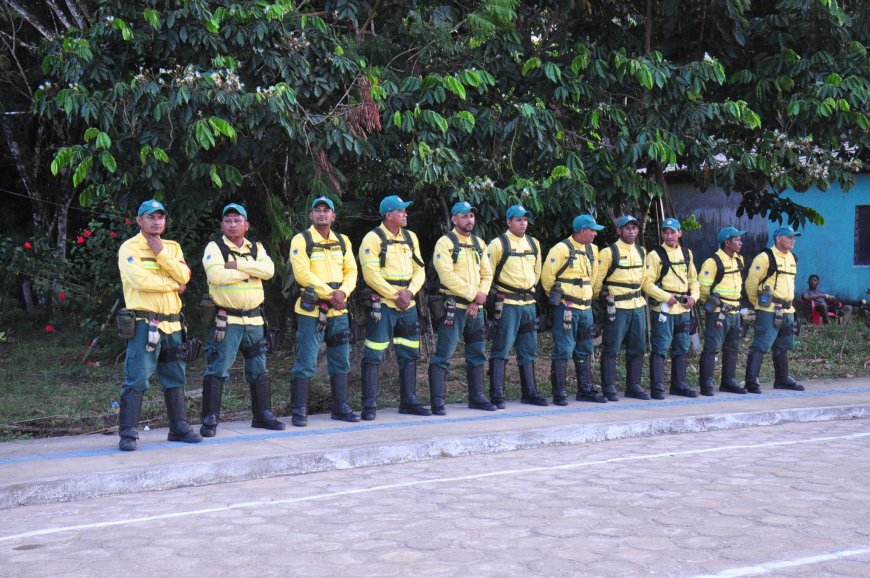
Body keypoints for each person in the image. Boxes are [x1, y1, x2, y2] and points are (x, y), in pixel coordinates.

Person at [116, 199, 201, 451]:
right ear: (139, 220)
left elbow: (185, 275)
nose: (156, 221)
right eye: (151, 217)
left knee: (175, 375)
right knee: (138, 377)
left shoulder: (172, 247)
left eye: (160, 217)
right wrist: (174, 285)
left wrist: (161, 253)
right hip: (145, 324)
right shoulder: (129, 248)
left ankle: (179, 428)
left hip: (174, 325)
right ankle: (128, 433)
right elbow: (141, 281)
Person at [199, 203, 285, 437]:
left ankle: (262, 415)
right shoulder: (215, 247)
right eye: (228, 220)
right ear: (222, 225)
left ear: (246, 225)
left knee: (259, 368)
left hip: (255, 320)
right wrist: (252, 271)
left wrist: (237, 265)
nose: (233, 224)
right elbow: (216, 275)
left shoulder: (256, 247)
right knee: (219, 367)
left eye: (237, 220)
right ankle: (210, 419)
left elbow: (268, 271)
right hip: (227, 319)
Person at [288, 196, 360, 426]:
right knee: (306, 360)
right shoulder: (301, 240)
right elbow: (302, 275)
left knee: (341, 360)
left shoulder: (343, 240)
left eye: (326, 211)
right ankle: (299, 409)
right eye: (317, 210)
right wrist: (331, 294)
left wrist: (344, 293)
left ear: (333, 216)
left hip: (339, 311)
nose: (321, 214)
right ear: (311, 215)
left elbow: (352, 271)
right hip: (312, 311)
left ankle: (340, 407)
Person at [358, 195, 430, 419]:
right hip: (383, 304)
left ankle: (408, 401)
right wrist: (395, 295)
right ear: (388, 215)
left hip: (407, 303)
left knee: (409, 352)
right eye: (401, 211)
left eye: (405, 211)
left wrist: (409, 293)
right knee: (374, 353)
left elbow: (420, 269)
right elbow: (371, 275)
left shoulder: (411, 238)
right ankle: (369, 405)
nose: (405, 214)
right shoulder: (372, 238)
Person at [428, 201, 496, 415]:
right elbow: (446, 276)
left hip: (476, 309)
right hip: (454, 308)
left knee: (477, 352)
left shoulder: (479, 243)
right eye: (464, 216)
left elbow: (487, 273)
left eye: (472, 216)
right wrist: (472, 294)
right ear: (454, 219)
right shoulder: (445, 243)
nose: (469, 220)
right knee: (444, 354)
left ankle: (477, 397)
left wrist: (478, 300)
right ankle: (438, 401)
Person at [541, 214, 607, 404]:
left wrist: (587, 296)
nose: (595, 234)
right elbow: (547, 278)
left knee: (585, 347)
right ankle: (559, 392)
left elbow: (593, 278)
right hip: (566, 308)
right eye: (592, 230)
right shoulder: (561, 249)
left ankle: (585, 389)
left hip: (585, 308)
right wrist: (560, 299)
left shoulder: (593, 250)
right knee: (564, 348)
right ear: (582, 231)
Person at [487, 204, 547, 408]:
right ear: (508, 222)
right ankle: (497, 394)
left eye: (525, 219)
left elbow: (537, 272)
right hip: (508, 304)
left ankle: (530, 392)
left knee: (529, 348)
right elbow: (487, 273)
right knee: (501, 347)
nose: (523, 223)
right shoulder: (498, 244)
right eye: (518, 219)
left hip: (529, 304)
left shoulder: (534, 243)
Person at [592, 215, 649, 401]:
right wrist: (599, 303)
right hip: (616, 308)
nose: (631, 232)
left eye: (634, 228)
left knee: (638, 347)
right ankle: (609, 387)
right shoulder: (609, 252)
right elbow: (597, 282)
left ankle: (634, 386)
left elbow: (645, 281)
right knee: (611, 348)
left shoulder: (641, 251)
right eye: (627, 228)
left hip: (638, 306)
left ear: (638, 231)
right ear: (619, 231)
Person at [642, 218, 700, 399]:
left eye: (672, 232)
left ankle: (679, 384)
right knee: (660, 346)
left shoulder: (686, 253)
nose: (669, 236)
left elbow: (694, 280)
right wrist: (666, 297)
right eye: (665, 232)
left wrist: (694, 297)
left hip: (683, 309)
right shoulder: (655, 254)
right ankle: (657, 387)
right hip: (664, 308)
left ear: (679, 233)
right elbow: (646, 283)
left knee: (682, 346)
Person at [744, 226, 804, 392]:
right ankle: (751, 380)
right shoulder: (764, 257)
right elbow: (751, 283)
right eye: (789, 237)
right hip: (769, 309)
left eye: (794, 237)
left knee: (784, 344)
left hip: (788, 309)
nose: (793, 240)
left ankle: (782, 379)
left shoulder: (792, 257)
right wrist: (758, 303)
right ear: (778, 239)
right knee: (761, 344)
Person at [697, 226, 748, 395]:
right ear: (727, 242)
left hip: (735, 312)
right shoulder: (712, 262)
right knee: (712, 347)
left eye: (740, 239)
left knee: (732, 347)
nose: (740, 242)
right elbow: (703, 288)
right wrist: (713, 306)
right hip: (719, 313)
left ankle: (728, 381)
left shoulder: (739, 260)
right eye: (737, 240)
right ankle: (706, 383)